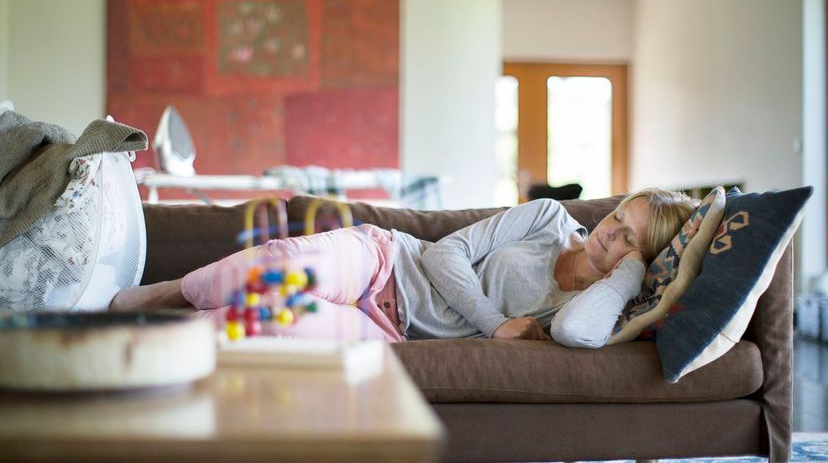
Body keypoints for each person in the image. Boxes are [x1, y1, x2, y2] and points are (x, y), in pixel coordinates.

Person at [110, 188, 699, 347]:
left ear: (639, 257)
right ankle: (160, 295)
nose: (609, 228)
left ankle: (149, 347)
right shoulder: (547, 217)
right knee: (275, 268)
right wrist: (494, 323)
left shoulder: (587, 308)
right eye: (617, 214)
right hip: (386, 259)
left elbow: (575, 335)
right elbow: (444, 251)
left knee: (261, 321)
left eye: (628, 236)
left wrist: (626, 276)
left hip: (394, 330)